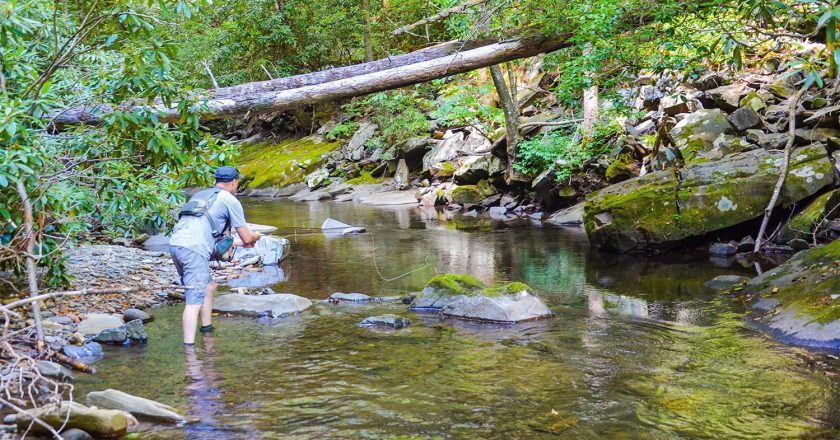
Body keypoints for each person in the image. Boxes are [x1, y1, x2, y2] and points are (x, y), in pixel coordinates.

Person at [169, 166, 262, 345]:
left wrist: (241, 243)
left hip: (176, 245)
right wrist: (255, 236)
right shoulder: (230, 200)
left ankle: (207, 330)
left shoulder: (200, 196)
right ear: (234, 183)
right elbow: (247, 235)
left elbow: (210, 235)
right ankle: (189, 351)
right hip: (193, 250)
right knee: (193, 299)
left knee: (208, 286)